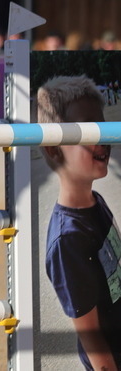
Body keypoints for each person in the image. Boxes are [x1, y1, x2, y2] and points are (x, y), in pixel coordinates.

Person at [38, 76, 121, 369]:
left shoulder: (96, 201)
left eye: (103, 127)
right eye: (87, 129)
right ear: (53, 148)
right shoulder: (68, 241)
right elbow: (93, 341)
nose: (103, 139)